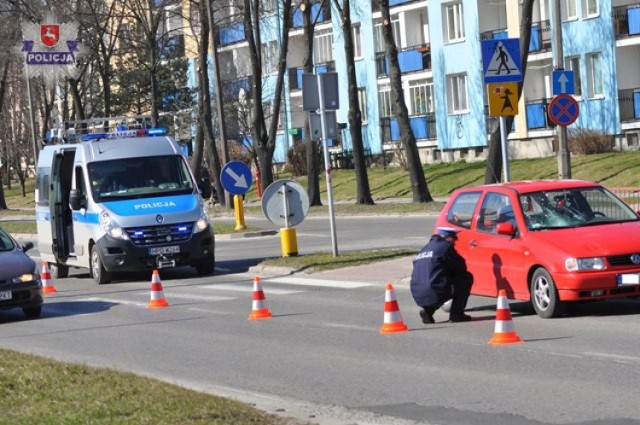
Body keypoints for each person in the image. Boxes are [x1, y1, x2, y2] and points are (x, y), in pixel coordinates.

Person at [410, 226, 473, 323]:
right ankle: (457, 314)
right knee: (465, 278)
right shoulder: (445, 247)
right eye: (453, 239)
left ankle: (428, 311)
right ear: (446, 237)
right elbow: (460, 267)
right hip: (435, 289)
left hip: (417, 292)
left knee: (435, 284)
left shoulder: (424, 249)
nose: (454, 243)